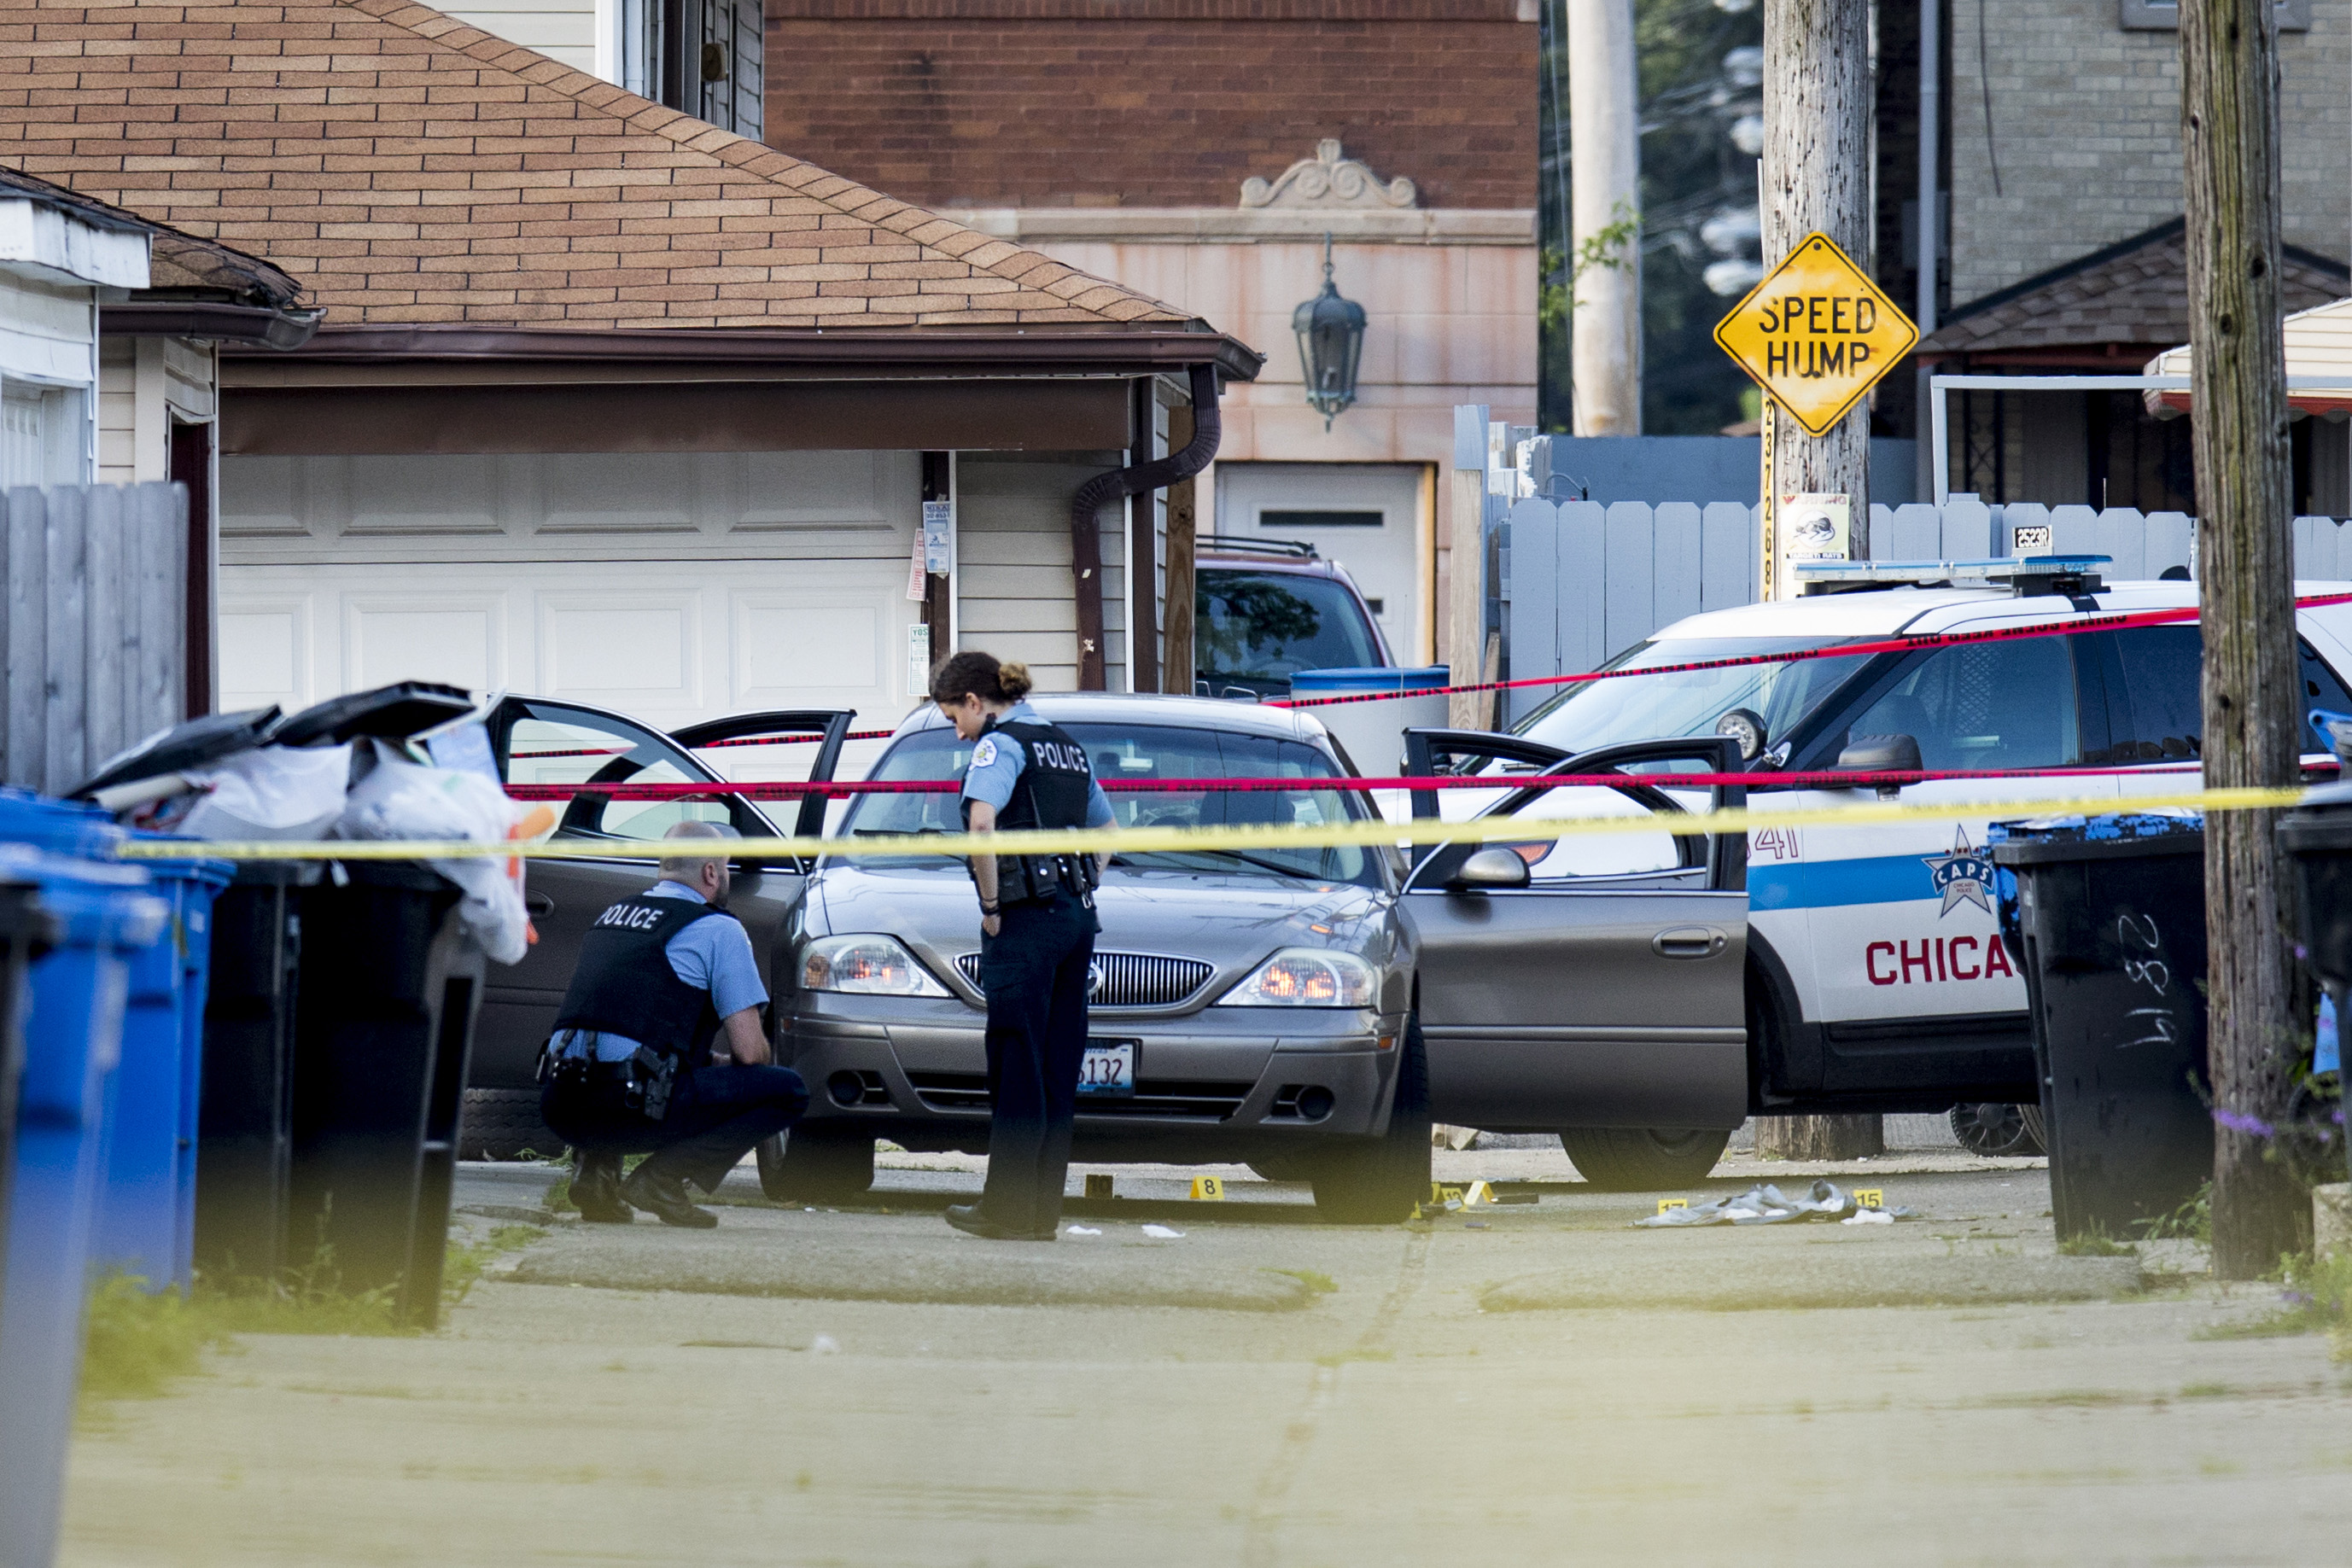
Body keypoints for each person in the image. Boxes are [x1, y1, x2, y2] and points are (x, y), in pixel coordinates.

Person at [538, 820, 809, 1227]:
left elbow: (629, 1024)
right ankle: (662, 1181)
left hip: (562, 1105)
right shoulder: (718, 928)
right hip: (631, 1108)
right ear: (711, 872)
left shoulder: (613, 915)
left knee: (630, 1063)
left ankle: (595, 1172)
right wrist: (750, 1058)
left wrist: (707, 1061)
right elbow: (750, 1053)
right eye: (726, 867)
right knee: (786, 1091)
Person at [931, 651, 1115, 1241]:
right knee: (1058, 1069)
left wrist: (991, 906)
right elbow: (1108, 831)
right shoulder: (1065, 746)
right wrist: (1079, 884)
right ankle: (1039, 1216)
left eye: (954, 717)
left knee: (1017, 1063)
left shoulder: (1000, 745)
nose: (958, 732)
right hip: (1075, 919)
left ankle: (1005, 1211)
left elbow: (982, 825)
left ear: (974, 701)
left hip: (1024, 921)